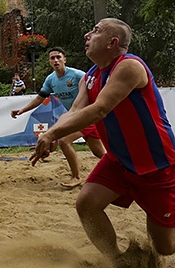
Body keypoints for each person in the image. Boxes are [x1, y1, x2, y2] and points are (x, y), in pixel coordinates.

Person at [30, 18, 175, 260]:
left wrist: (53, 133)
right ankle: (116, 262)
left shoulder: (129, 67)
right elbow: (75, 111)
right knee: (86, 204)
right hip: (119, 161)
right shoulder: (91, 76)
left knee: (165, 246)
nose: (87, 35)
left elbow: (100, 110)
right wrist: (53, 134)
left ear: (112, 42)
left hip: (156, 165)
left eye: (95, 31)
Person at [11, 47, 106, 188]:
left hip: (87, 116)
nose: (56, 60)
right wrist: (22, 110)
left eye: (58, 57)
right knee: (100, 154)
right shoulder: (51, 79)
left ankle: (76, 177)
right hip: (75, 117)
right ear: (49, 62)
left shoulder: (77, 75)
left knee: (63, 141)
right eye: (52, 58)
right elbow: (39, 98)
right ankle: (123, 172)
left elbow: (97, 86)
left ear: (64, 60)